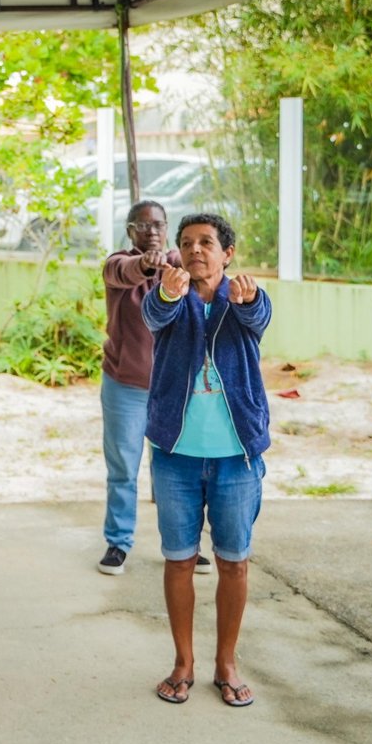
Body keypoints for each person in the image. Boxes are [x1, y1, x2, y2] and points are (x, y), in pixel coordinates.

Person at [144, 213, 271, 707]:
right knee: (178, 560)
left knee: (233, 562)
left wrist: (249, 300)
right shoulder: (169, 295)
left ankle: (226, 662)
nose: (195, 250)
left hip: (236, 457)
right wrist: (169, 296)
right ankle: (183, 662)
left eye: (207, 242)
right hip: (175, 456)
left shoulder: (241, 294)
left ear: (227, 253)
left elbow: (258, 318)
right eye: (187, 242)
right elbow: (153, 317)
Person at [96, 201, 212, 577]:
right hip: (125, 387)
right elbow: (127, 270)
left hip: (172, 389)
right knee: (123, 468)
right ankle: (118, 542)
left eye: (158, 224)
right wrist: (147, 264)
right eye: (142, 226)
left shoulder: (182, 263)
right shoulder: (119, 263)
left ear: (168, 228)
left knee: (176, 471)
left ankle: (185, 547)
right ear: (130, 231)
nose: (151, 231)